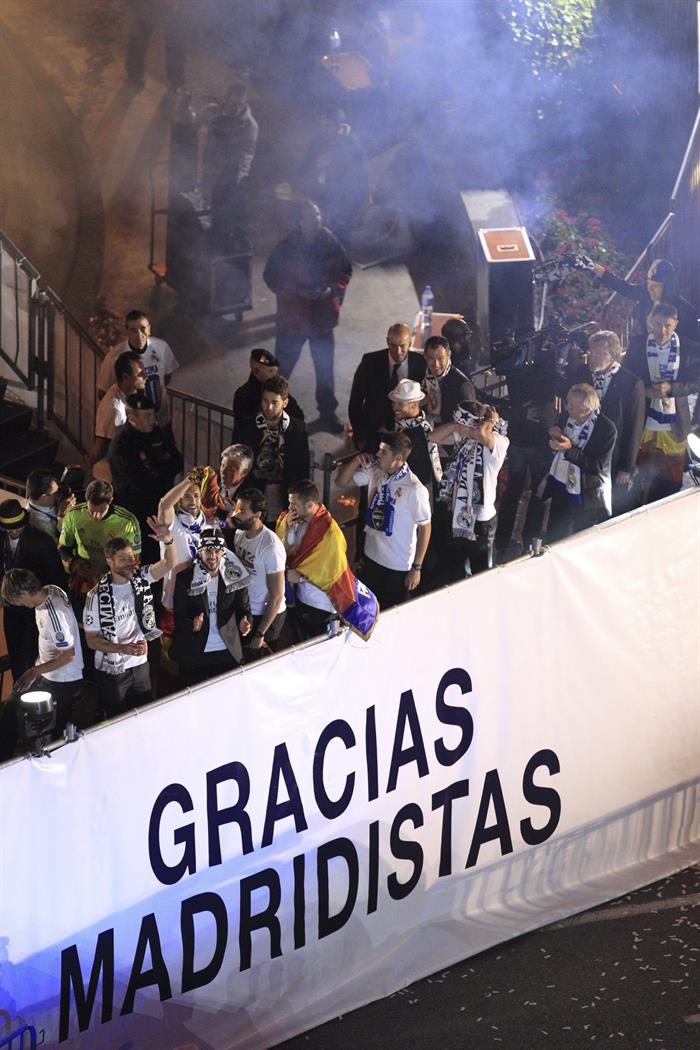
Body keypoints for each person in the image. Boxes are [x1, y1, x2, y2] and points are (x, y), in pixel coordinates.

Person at [263, 200, 352, 432]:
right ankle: (270, 415)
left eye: (318, 216)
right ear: (300, 221)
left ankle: (327, 414)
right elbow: (270, 276)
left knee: (325, 370)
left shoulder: (330, 242)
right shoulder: (286, 247)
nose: (316, 220)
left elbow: (345, 271)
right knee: (281, 371)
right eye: (311, 217)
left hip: (321, 320)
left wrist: (331, 291)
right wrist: (296, 293)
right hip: (293, 321)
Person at [83, 516, 175, 715]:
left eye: (131, 557)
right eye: (123, 559)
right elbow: (91, 641)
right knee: (115, 719)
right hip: (112, 670)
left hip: (140, 663)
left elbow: (168, 563)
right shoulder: (96, 596)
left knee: (143, 714)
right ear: (109, 562)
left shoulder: (141, 578)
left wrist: (168, 540)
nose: (130, 562)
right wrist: (122, 648)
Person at [337, 432, 431, 610]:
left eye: (384, 452)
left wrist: (417, 567)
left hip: (396, 564)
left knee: (390, 615)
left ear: (398, 458)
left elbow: (425, 528)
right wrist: (357, 460)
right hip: (370, 556)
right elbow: (342, 482)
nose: (378, 455)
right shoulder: (375, 472)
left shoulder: (414, 488)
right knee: (365, 611)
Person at [276, 479, 378, 640]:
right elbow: (286, 552)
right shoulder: (295, 521)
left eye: (294, 505)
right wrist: (287, 529)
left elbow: (331, 575)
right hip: (301, 598)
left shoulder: (330, 536)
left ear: (310, 505)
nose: (289, 509)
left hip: (321, 606)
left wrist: (301, 578)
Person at [624, 302, 700, 503]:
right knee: (640, 477)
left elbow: (696, 383)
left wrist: (671, 388)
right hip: (644, 420)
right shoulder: (638, 344)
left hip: (674, 424)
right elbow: (627, 378)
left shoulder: (691, 348)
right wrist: (645, 392)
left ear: (676, 324)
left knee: (671, 480)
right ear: (650, 322)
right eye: (658, 324)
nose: (662, 330)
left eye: (667, 325)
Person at [564, 330, 645, 513]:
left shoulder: (631, 383)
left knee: (609, 510)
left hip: (612, 459)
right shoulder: (579, 375)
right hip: (582, 455)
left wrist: (627, 467)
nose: (594, 357)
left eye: (600, 353)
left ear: (613, 355)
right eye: (592, 352)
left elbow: (634, 429)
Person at [0, 569, 84, 740]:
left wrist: (34, 671)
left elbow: (69, 655)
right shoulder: (50, 589)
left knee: (52, 730)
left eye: (17, 601)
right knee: (11, 708)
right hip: (45, 671)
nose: (18, 605)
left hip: (62, 679)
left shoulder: (54, 614)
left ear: (23, 593)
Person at [430, 402, 509, 581]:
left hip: (481, 520)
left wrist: (490, 419)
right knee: (454, 568)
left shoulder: (499, 441)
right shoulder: (466, 439)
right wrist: (454, 425)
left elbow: (481, 433)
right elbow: (434, 437)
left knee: (481, 573)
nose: (458, 428)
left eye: (461, 423)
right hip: (458, 512)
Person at [108, 393, 183, 560]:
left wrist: (154, 468)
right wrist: (163, 467)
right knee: (146, 557)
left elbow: (178, 461)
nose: (152, 419)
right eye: (147, 415)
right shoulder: (122, 445)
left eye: (153, 414)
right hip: (136, 513)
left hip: (163, 507)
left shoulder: (157, 433)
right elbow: (142, 481)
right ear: (132, 417)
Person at [172, 528, 251, 686]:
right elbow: (179, 616)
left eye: (217, 550)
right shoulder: (184, 578)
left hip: (227, 651)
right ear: (200, 551)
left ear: (223, 552)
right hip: (195, 653)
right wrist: (192, 626)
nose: (212, 556)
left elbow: (244, 610)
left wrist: (245, 623)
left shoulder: (235, 575)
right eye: (208, 550)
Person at [0, 498, 66, 681]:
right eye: (9, 529)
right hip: (11, 608)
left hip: (37, 608)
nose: (14, 532)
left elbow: (57, 577)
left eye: (18, 528)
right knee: (16, 654)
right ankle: (18, 689)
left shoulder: (41, 541)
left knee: (36, 653)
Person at [541, 384, 617, 543]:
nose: (567, 408)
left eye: (572, 406)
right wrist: (554, 436)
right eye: (567, 402)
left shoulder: (606, 429)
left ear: (586, 408)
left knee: (579, 540)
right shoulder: (565, 417)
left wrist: (569, 449)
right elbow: (558, 440)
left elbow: (596, 466)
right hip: (561, 486)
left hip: (585, 493)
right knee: (555, 536)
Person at [232, 376, 310, 524]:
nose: (268, 407)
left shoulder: (297, 428)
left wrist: (301, 502)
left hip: (285, 494)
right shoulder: (246, 426)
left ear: (285, 403)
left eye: (274, 402)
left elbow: (302, 466)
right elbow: (235, 463)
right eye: (265, 401)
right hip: (253, 493)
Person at [294, 103, 369, 247]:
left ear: (339, 126)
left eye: (327, 126)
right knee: (319, 239)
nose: (323, 130)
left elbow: (361, 183)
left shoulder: (355, 149)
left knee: (339, 242)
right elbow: (306, 164)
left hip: (342, 204)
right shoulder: (320, 141)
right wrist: (297, 182)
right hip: (320, 198)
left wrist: (351, 210)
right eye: (322, 126)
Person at [58, 480, 142, 605]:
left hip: (112, 580)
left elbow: (135, 562)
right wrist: (75, 564)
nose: (96, 516)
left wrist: (106, 567)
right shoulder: (73, 515)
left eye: (101, 511)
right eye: (91, 510)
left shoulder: (127, 522)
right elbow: (63, 548)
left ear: (111, 500)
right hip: (82, 578)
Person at [348, 323, 427, 452]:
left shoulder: (420, 363)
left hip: (407, 437)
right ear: (387, 341)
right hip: (374, 434)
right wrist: (360, 436)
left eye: (402, 346)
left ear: (410, 342)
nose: (398, 351)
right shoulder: (370, 362)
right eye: (393, 345)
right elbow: (355, 402)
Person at [98, 311, 179, 427]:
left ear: (149, 329)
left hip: (161, 421)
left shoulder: (161, 347)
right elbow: (103, 392)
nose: (139, 334)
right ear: (127, 333)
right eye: (133, 330)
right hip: (133, 427)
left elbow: (167, 376)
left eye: (143, 329)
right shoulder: (114, 357)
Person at [203, 80, 258, 251]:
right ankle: (216, 241)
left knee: (237, 211)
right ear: (226, 99)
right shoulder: (216, 115)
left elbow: (247, 154)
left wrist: (238, 177)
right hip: (216, 169)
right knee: (217, 208)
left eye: (240, 104)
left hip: (235, 174)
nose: (236, 108)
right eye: (233, 103)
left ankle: (241, 247)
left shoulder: (249, 125)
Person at [230, 488, 287, 655]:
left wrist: (260, 633)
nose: (236, 514)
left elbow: (276, 595)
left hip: (266, 616)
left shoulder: (270, 546)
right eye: (237, 509)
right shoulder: (239, 533)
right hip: (247, 610)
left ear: (258, 514)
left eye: (242, 511)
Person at [594, 258, 699, 342]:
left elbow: (694, 343)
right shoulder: (644, 294)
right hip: (647, 354)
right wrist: (593, 267)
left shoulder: (686, 311)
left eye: (656, 286)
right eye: (649, 284)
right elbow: (623, 287)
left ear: (667, 287)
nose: (650, 289)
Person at [90, 350, 146, 471]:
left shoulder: (128, 392)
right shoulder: (114, 409)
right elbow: (100, 448)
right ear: (126, 377)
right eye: (140, 374)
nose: (145, 377)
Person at [388, 378, 441, 490]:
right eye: (394, 402)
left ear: (414, 405)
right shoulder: (415, 427)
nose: (394, 408)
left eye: (400, 403)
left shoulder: (416, 434)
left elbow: (421, 477)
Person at [233, 348, 304, 424]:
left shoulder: (242, 392)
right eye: (271, 371)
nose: (277, 374)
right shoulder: (246, 396)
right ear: (256, 372)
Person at [423, 334, 476, 427]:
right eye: (431, 358)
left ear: (449, 355)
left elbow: (469, 420)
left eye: (440, 358)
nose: (436, 364)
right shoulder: (421, 376)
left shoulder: (462, 384)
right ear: (425, 356)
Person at [201, 444, 255, 522]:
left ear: (244, 472)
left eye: (231, 470)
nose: (223, 472)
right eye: (222, 465)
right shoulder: (211, 479)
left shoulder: (252, 493)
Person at [25, 468, 75, 540]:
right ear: (44, 497)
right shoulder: (39, 525)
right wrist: (62, 516)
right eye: (55, 493)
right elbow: (62, 543)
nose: (58, 495)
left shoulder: (35, 497)